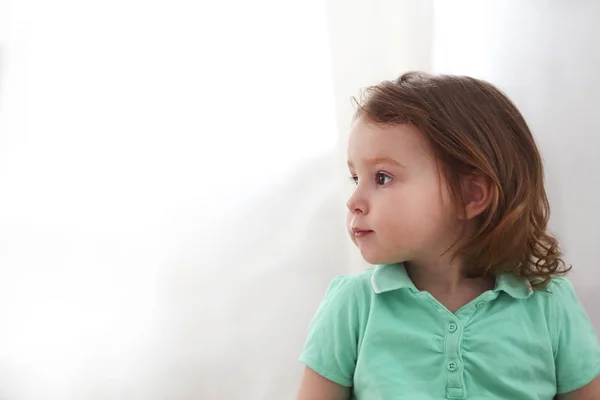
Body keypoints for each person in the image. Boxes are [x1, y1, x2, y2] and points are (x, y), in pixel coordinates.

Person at [296, 72, 600, 400]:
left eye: (382, 177)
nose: (353, 201)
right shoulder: (352, 305)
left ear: (470, 195)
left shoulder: (549, 304)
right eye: (356, 177)